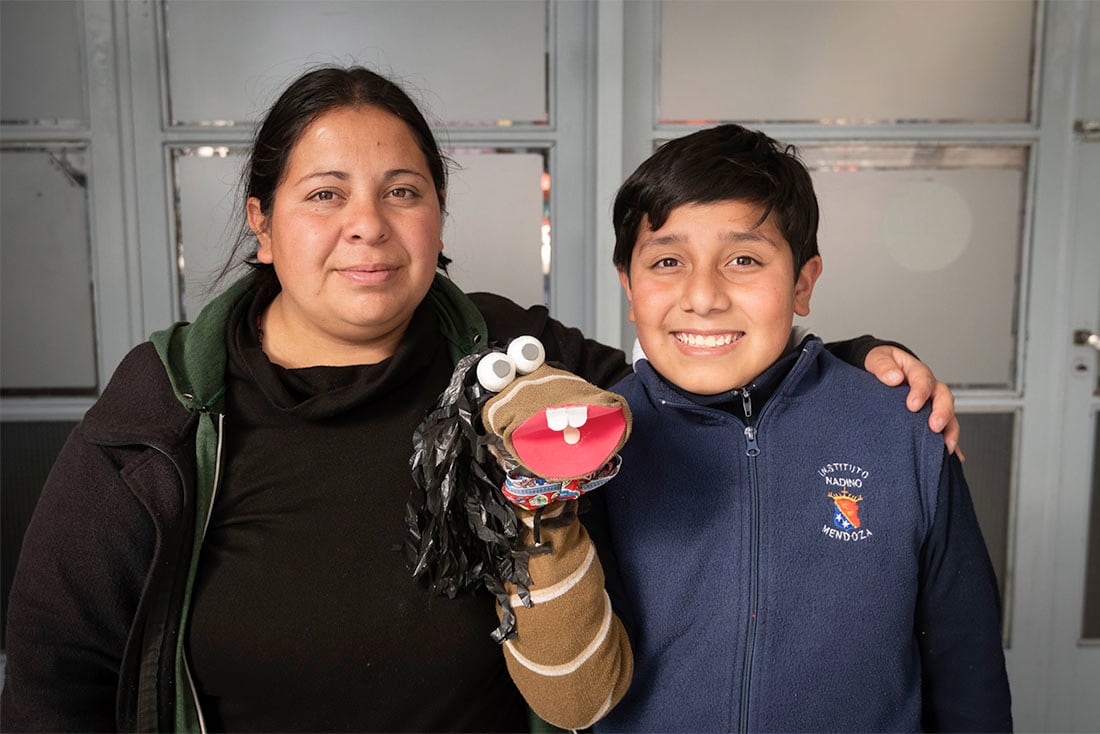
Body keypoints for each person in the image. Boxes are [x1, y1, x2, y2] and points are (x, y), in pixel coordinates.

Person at [1, 67, 959, 732]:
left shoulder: (506, 352)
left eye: (404, 192)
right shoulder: (168, 409)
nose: (368, 228)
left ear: (439, 216)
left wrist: (854, 361)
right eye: (326, 195)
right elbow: (54, 674)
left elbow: (693, 370)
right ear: (262, 223)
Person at [522, 124, 1010, 731]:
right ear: (629, 286)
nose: (702, 296)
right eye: (668, 261)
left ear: (803, 282)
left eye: (744, 260)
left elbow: (968, 660)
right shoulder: (591, 449)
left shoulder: (901, 431)